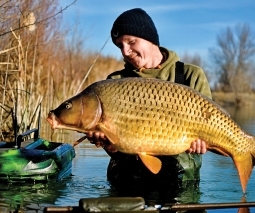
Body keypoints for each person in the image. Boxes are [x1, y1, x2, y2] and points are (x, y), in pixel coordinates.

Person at [86, 8, 212, 202]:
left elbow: (209, 127)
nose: (125, 51)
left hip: (182, 186)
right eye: (120, 46)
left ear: (150, 38)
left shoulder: (190, 75)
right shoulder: (115, 82)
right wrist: (106, 144)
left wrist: (203, 142)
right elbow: (114, 150)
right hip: (128, 185)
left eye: (131, 42)